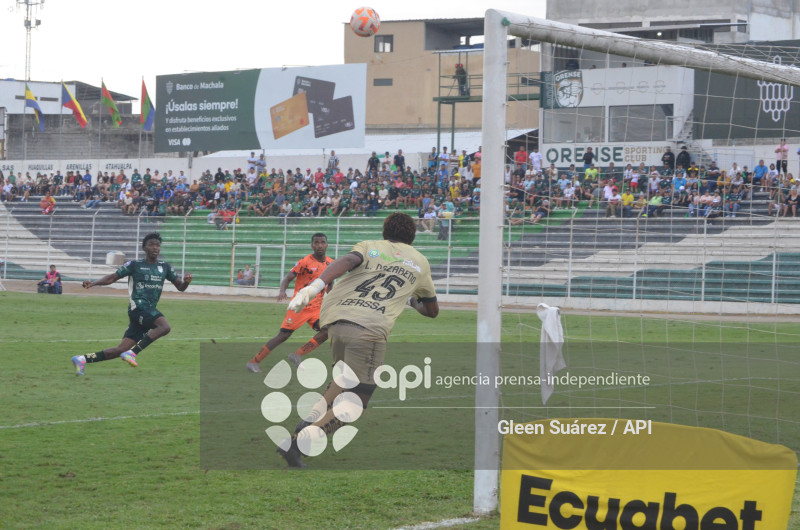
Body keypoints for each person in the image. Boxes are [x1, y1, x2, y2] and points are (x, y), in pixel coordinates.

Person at [277, 213, 438, 467]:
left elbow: (348, 260)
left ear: (385, 232)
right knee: (358, 400)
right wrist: (410, 299)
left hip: (336, 321)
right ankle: (299, 443)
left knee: (342, 380)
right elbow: (432, 310)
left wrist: (315, 286)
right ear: (413, 236)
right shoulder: (420, 262)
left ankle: (307, 422)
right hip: (369, 328)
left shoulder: (370, 246)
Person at [70, 233, 193, 376]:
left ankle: (82, 359)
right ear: (144, 248)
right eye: (151, 244)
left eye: (158, 245)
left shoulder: (164, 267)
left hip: (147, 312)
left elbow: (180, 287)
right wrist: (93, 283)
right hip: (138, 308)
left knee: (120, 350)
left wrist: (187, 282)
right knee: (164, 327)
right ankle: (133, 353)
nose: (155, 247)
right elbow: (112, 277)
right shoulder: (135, 265)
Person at [246, 233, 334, 373]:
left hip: (316, 309)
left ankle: (297, 354)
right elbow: (287, 278)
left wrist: (330, 297)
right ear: (312, 245)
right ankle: (253, 362)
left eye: (322, 242)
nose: (319, 245)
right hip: (300, 307)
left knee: (327, 330)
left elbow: (330, 282)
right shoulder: (304, 262)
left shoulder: (330, 262)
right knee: (283, 335)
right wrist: (282, 291)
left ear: (327, 244)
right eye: (316, 243)